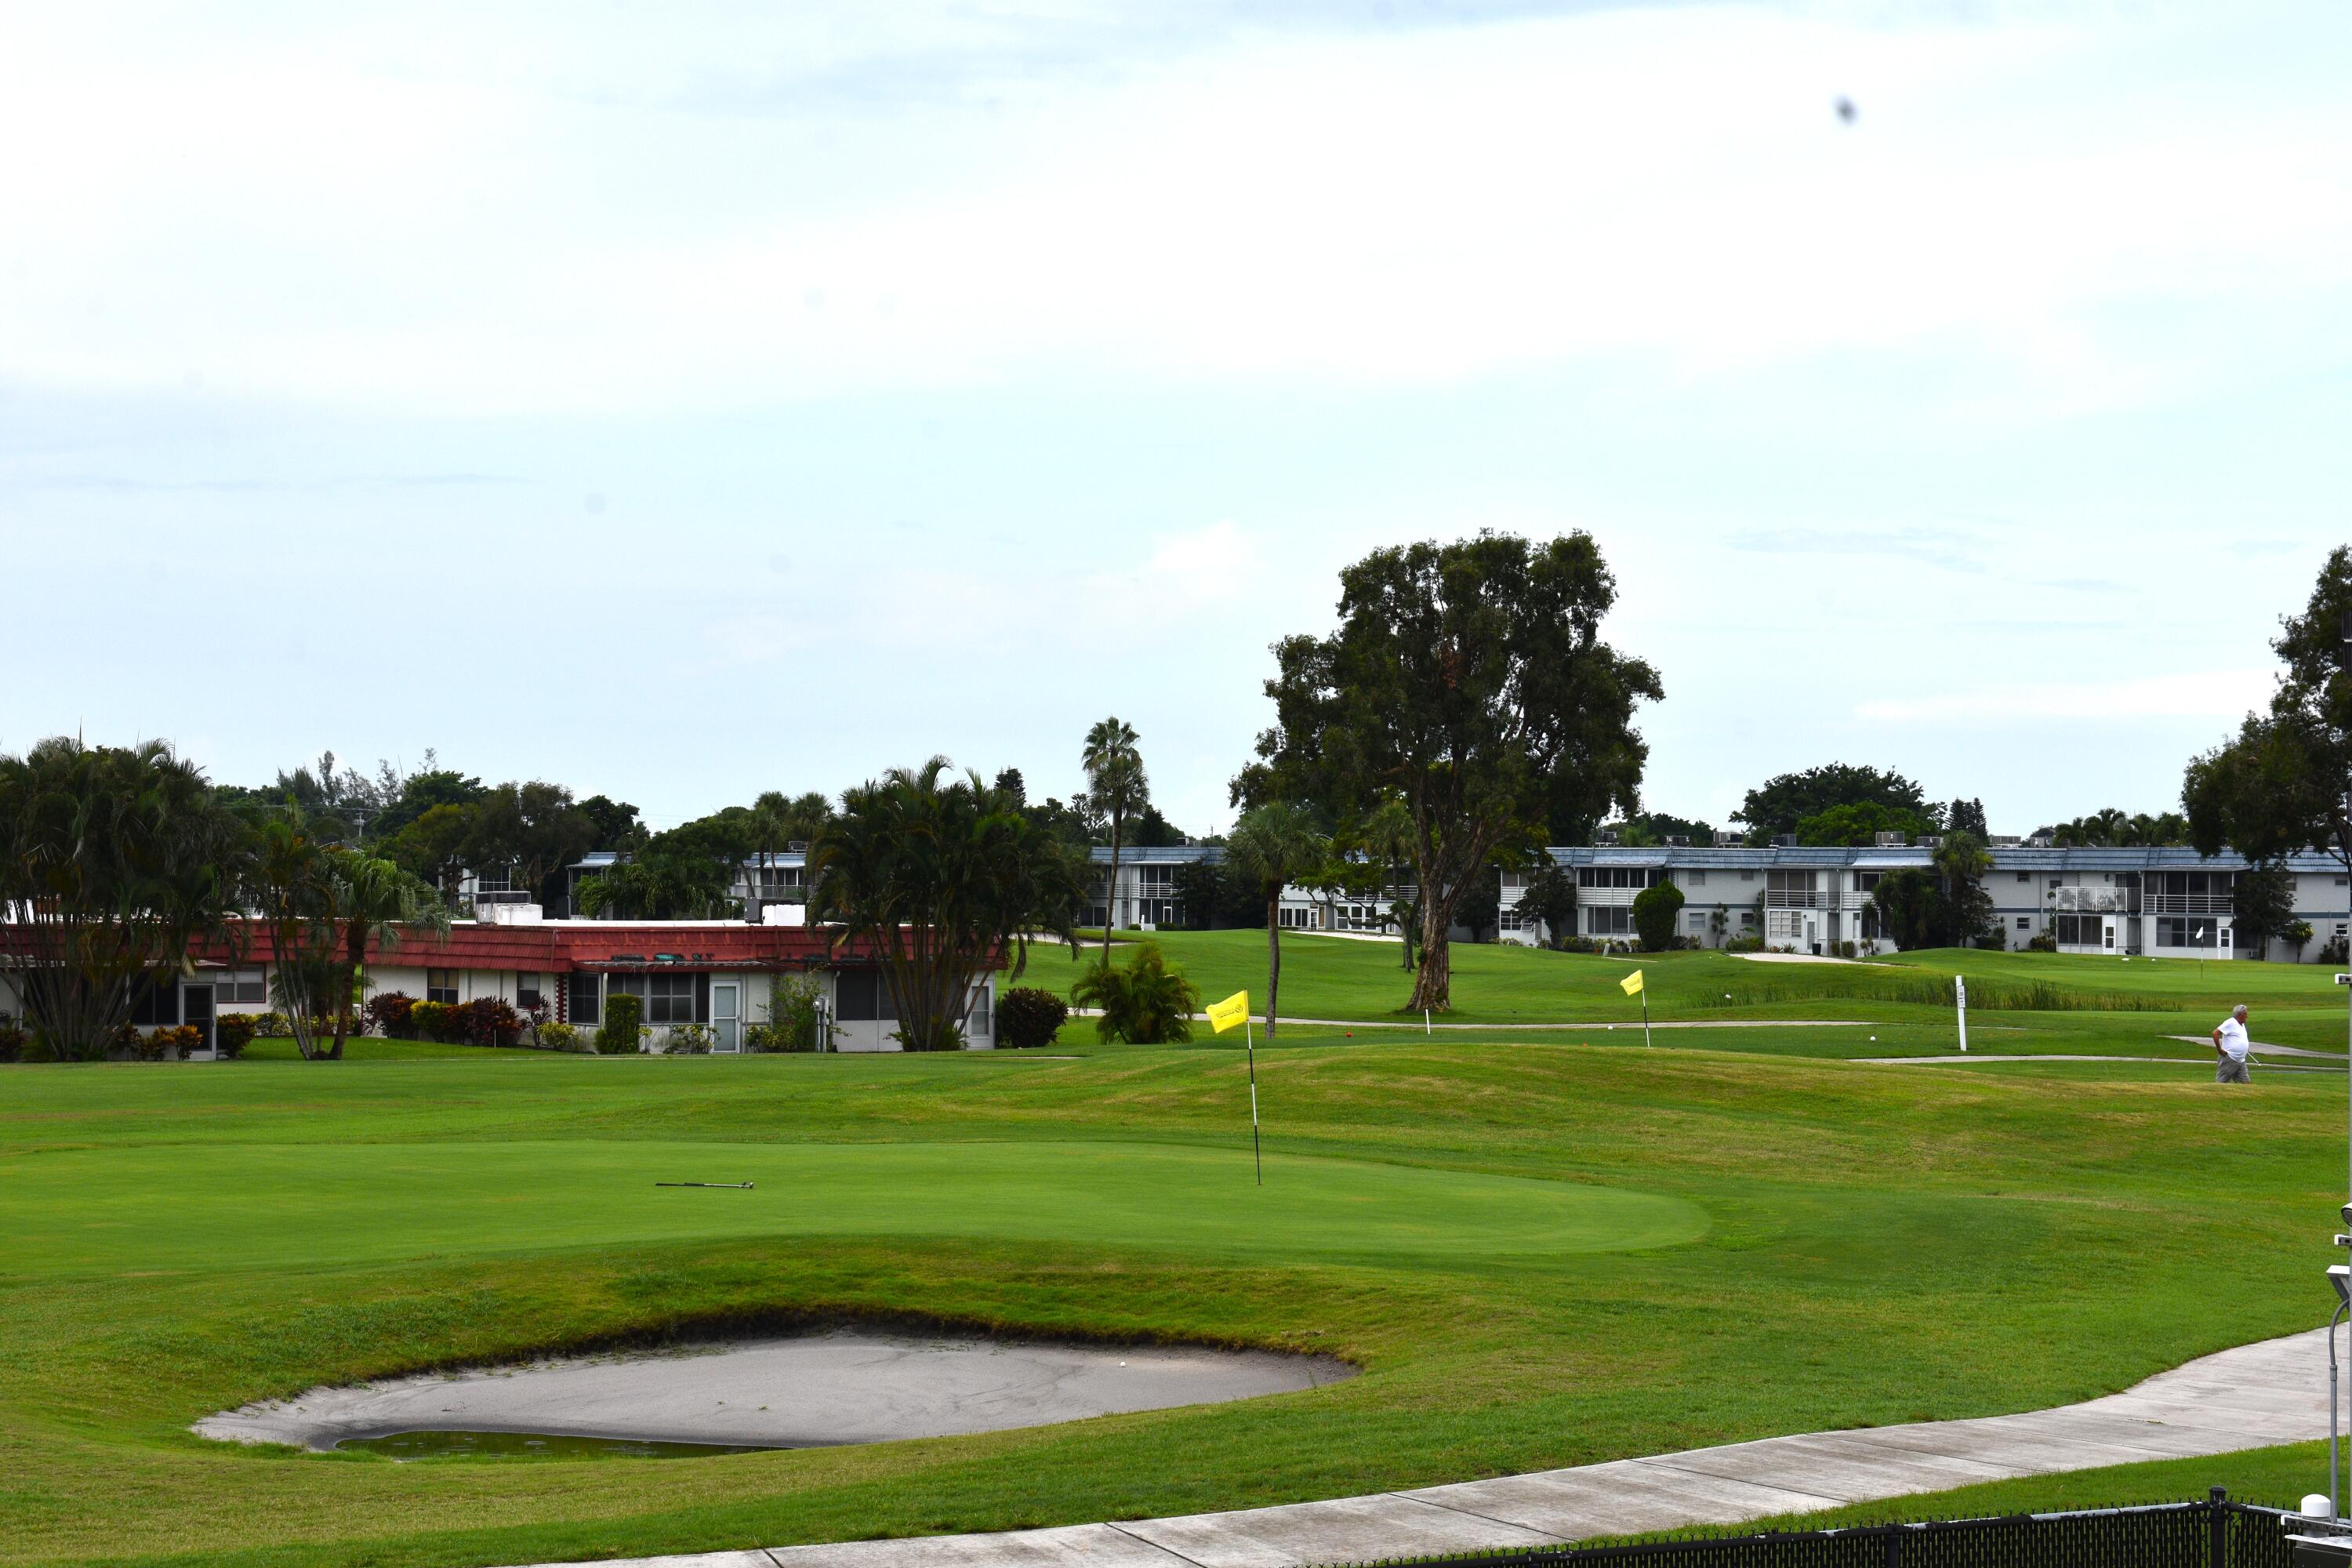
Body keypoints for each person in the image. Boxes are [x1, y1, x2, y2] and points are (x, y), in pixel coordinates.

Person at [2213, 1004, 2253, 1083]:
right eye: (2246, 1014)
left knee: (2245, 1083)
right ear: (2240, 1015)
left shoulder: (2242, 1025)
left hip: (2241, 1060)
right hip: (2230, 1058)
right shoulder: (2231, 1022)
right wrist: (2220, 1050)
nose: (2247, 1016)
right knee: (2221, 1082)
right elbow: (2215, 1033)